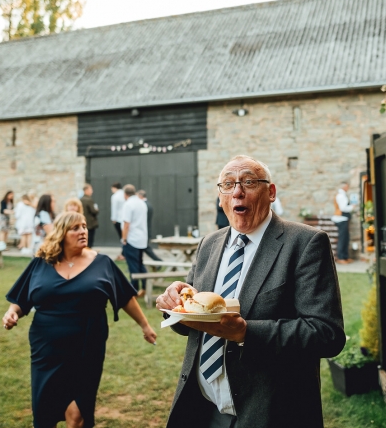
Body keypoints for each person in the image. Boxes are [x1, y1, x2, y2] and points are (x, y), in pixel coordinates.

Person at [157, 155, 345, 428]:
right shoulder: (209, 244)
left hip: (269, 414)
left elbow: (327, 334)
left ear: (270, 192)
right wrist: (173, 304)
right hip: (202, 409)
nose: (237, 192)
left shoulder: (304, 243)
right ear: (221, 196)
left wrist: (246, 333)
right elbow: (190, 324)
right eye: (228, 184)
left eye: (248, 182)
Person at [2, 211, 157, 428]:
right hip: (47, 349)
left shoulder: (102, 263)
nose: (83, 231)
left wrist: (145, 325)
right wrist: (12, 313)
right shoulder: (41, 263)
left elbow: (125, 297)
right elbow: (21, 297)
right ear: (62, 234)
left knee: (79, 414)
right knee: (44, 410)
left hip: (88, 346)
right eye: (75, 228)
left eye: (84, 226)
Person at [120, 184, 148, 296]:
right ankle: (146, 287)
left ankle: (133, 290)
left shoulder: (128, 204)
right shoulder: (142, 203)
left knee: (133, 266)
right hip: (142, 238)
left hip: (132, 239)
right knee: (140, 264)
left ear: (125, 194)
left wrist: (124, 239)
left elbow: (126, 224)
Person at [331, 182, 355, 264]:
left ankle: (345, 256)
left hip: (343, 219)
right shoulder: (341, 196)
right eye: (347, 186)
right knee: (342, 238)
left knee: (346, 238)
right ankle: (340, 257)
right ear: (345, 187)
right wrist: (352, 206)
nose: (348, 188)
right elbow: (343, 208)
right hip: (341, 219)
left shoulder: (342, 195)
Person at [137, 190, 161, 262]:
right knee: (143, 248)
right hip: (146, 230)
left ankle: (158, 261)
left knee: (145, 248)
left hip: (143, 231)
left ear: (140, 196)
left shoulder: (143, 205)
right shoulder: (148, 204)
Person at [80, 184, 99, 249]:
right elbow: (94, 211)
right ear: (86, 190)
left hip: (83, 222)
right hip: (90, 223)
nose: (92, 191)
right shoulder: (89, 200)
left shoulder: (80, 199)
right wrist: (97, 209)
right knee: (89, 240)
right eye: (91, 190)